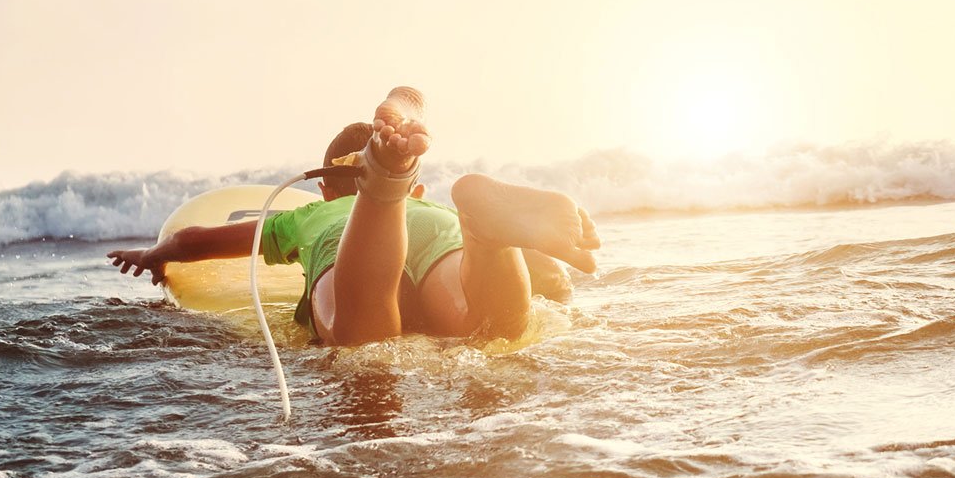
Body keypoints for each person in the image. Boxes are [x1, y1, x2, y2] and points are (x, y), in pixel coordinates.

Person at [107, 87, 600, 345]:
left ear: (322, 190)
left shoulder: (308, 217)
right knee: (492, 325)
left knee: (360, 335)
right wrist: (545, 270)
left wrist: (155, 254)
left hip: (358, 238)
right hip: (440, 237)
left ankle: (380, 190)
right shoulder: (430, 207)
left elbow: (198, 240)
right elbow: (547, 276)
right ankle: (486, 236)